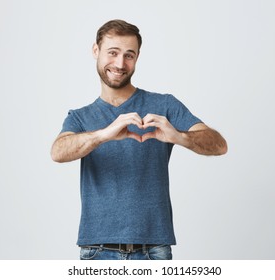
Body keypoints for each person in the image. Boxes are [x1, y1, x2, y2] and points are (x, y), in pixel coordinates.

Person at [51, 19, 227, 260]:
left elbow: (219, 144)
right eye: (112, 53)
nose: (120, 63)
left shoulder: (164, 105)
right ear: (96, 51)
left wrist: (178, 136)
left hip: (154, 250)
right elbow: (58, 152)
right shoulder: (80, 117)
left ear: (137, 57)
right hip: (97, 251)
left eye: (129, 55)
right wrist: (105, 134)